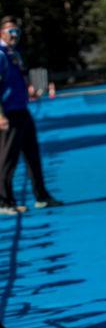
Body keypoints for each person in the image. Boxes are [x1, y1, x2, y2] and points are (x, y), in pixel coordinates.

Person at [0, 16, 62, 214]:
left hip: (22, 109)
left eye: (17, 31)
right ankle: (4, 201)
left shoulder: (14, 54)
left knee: (32, 154)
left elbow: (18, 80)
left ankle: (41, 196)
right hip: (8, 112)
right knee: (7, 158)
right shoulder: (1, 54)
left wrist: (30, 91)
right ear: (1, 33)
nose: (14, 35)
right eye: (10, 31)